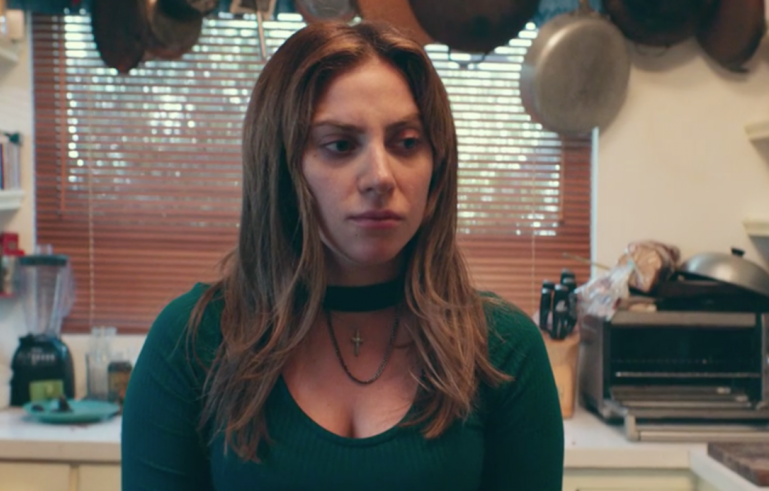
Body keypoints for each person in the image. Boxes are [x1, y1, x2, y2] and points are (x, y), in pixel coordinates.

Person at [122, 20, 564, 491]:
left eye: (407, 143)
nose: (380, 176)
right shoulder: (192, 343)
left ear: (437, 168)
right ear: (281, 166)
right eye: (339, 145)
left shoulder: (503, 351)